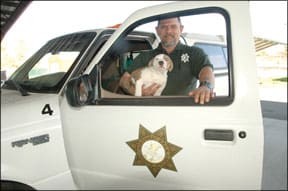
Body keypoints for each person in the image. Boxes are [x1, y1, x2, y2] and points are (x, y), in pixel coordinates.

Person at [119, 17, 215, 104]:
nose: (168, 31)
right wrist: (137, 92)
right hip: (148, 110)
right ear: (157, 30)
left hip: (182, 111)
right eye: (163, 27)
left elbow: (206, 70)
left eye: (173, 26)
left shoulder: (194, 52)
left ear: (181, 29)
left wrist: (206, 86)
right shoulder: (145, 55)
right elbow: (124, 80)